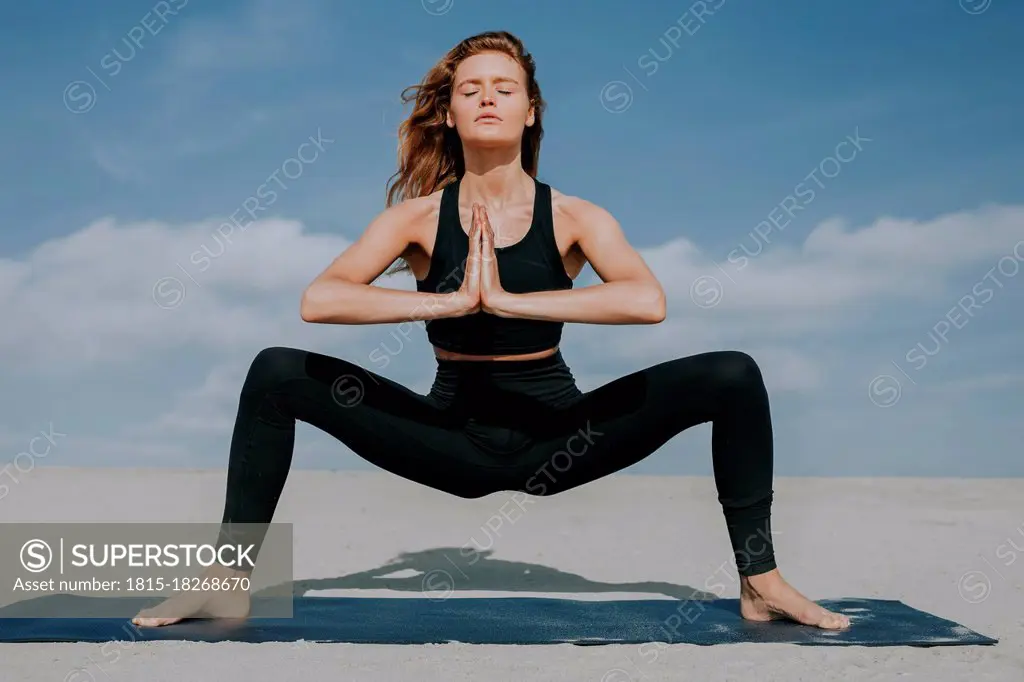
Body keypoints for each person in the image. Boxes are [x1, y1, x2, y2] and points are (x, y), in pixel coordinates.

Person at [133, 30, 850, 631]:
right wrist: (445, 306)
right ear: (446, 113)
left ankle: (761, 582)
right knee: (276, 370)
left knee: (732, 374)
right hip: (451, 441)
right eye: (470, 87)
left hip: (559, 438)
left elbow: (646, 300)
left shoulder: (573, 215)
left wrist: (509, 300)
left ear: (531, 112)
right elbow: (320, 299)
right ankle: (226, 578)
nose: (486, 97)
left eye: (504, 88)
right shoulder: (415, 219)